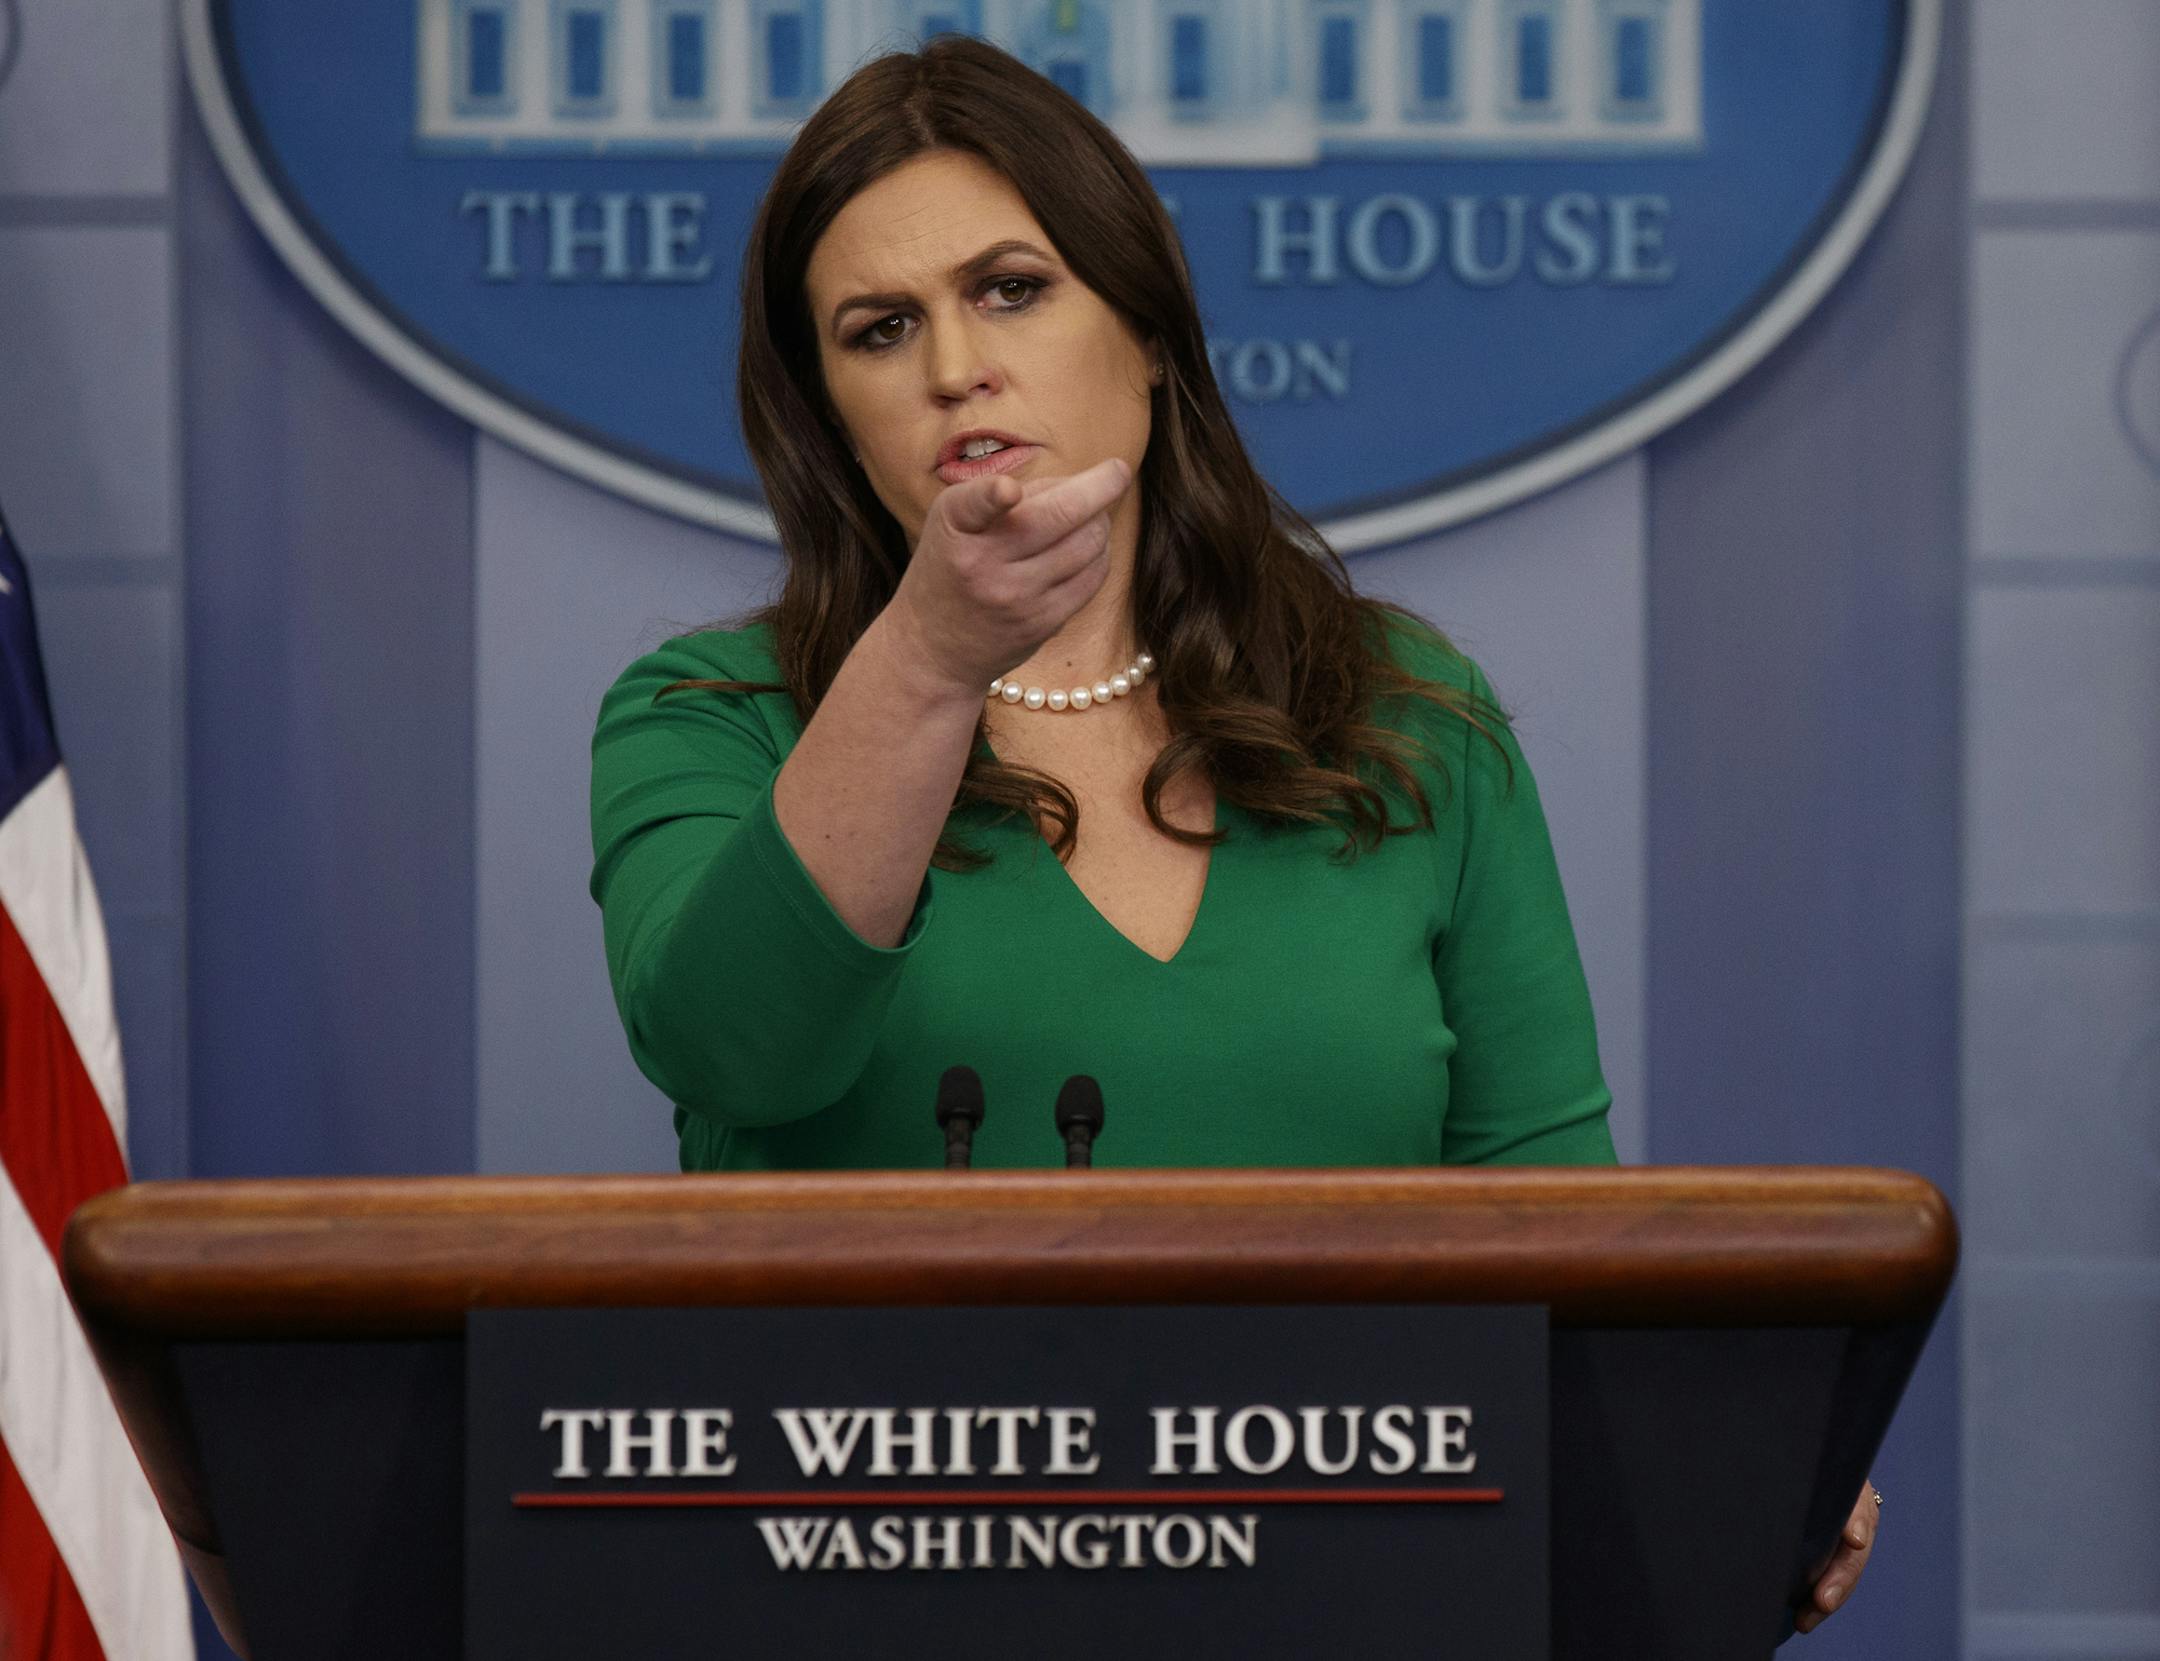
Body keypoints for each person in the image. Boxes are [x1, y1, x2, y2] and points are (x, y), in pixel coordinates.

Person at [586, 34, 1876, 1627]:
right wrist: (924, 659)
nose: (955, 367)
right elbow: (739, 1051)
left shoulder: (1405, 713)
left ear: (1147, 334)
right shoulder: (713, 716)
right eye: (880, 329)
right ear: (831, 416)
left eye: (1011, 289)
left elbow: (1546, 1213)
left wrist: (1718, 1458)